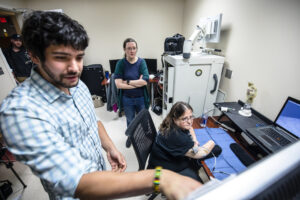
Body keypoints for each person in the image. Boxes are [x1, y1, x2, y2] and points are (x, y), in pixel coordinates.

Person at [0, 11, 201, 200]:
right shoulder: (20, 111)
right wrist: (161, 178)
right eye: (61, 58)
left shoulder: (77, 86)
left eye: (79, 57)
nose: (75, 68)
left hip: (102, 174)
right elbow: (78, 181)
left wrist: (110, 147)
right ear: (34, 56)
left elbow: (93, 122)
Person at [148, 101, 216, 183]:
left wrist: (194, 140)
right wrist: (213, 141)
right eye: (184, 118)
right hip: (163, 167)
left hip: (160, 158)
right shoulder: (176, 136)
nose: (189, 121)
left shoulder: (169, 122)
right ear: (175, 119)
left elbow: (190, 127)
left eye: (191, 117)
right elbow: (200, 154)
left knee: (214, 150)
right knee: (199, 186)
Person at [114, 38, 150, 127]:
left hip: (141, 98)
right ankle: (131, 138)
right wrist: (137, 83)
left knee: (144, 120)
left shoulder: (142, 62)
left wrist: (128, 82)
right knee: (130, 121)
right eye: (129, 48)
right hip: (127, 99)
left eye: (134, 48)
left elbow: (145, 82)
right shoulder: (121, 63)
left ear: (136, 49)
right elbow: (118, 85)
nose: (132, 51)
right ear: (124, 49)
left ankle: (145, 137)